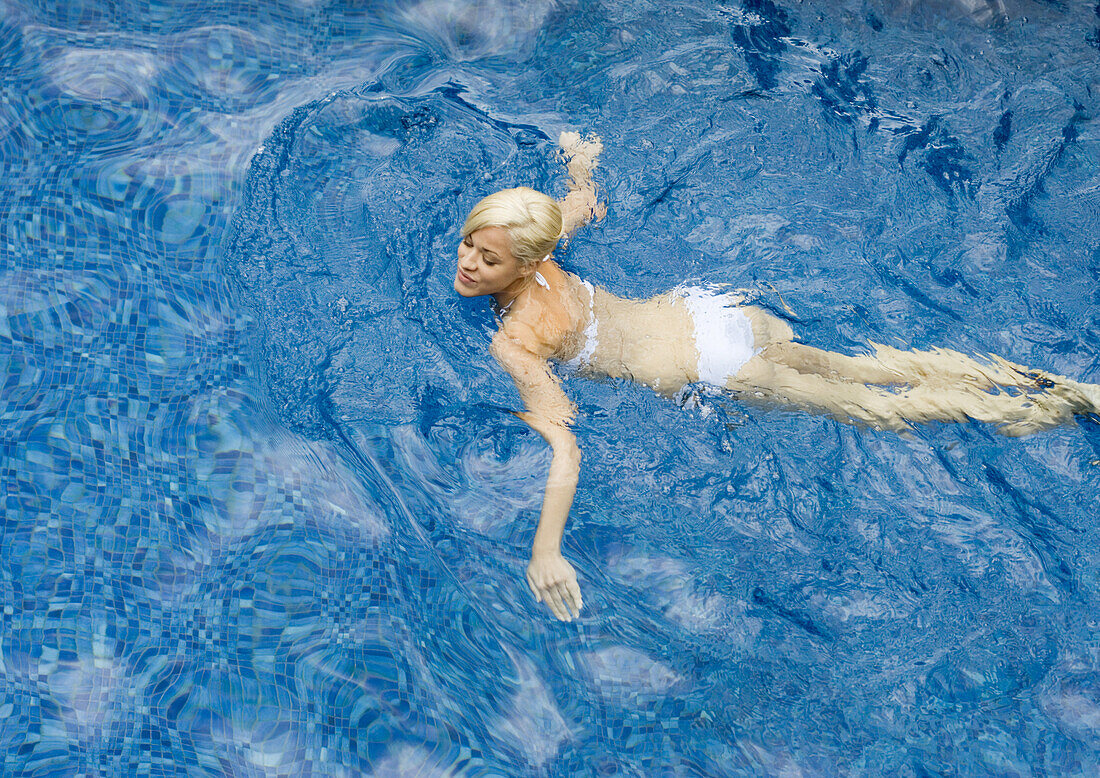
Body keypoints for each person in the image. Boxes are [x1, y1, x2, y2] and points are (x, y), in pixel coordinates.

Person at [453, 132, 1100, 622]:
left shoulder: (515, 341)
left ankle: (1059, 408)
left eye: (487, 257)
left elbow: (563, 440)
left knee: (877, 408)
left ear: (524, 258)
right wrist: (579, 157)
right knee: (872, 368)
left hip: (708, 367)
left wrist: (546, 549)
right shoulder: (545, 236)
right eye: (469, 247)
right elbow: (584, 202)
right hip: (712, 313)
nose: (471, 265)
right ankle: (1048, 383)